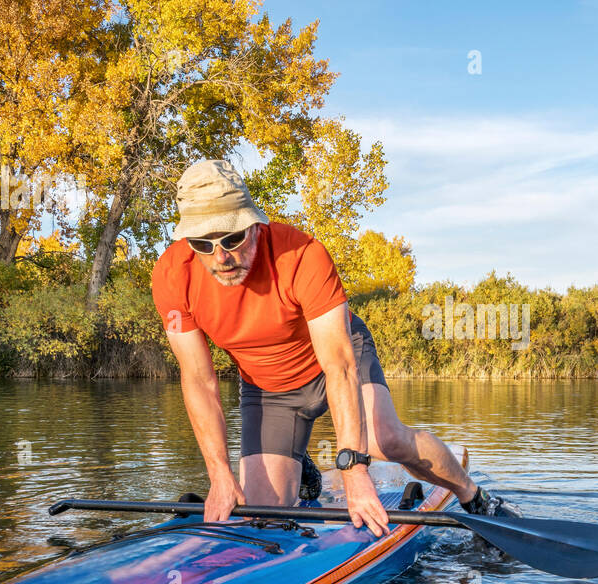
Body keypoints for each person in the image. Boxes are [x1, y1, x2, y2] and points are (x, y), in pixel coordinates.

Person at [151, 160, 520, 537]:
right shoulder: (172, 275)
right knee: (262, 514)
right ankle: (302, 466)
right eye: (203, 244)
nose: (221, 257)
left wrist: (355, 470)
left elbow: (340, 366)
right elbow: (198, 380)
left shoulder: (302, 255)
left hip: (339, 360)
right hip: (269, 388)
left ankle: (473, 495)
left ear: (253, 224)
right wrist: (219, 475)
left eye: (232, 238)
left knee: (384, 439)